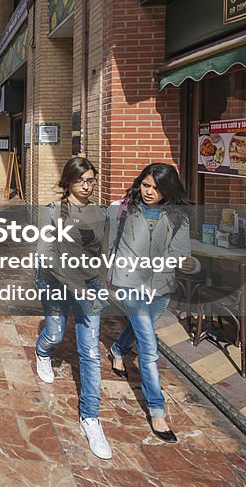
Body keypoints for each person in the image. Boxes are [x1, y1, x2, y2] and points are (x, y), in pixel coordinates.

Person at [107, 163, 197, 444]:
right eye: (145, 185)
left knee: (138, 330)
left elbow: (182, 253)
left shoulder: (178, 217)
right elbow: (111, 245)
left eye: (156, 188)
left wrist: (184, 263)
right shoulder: (123, 210)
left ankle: (118, 349)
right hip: (130, 282)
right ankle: (157, 411)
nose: (149, 192)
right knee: (148, 346)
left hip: (161, 285)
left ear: (167, 190)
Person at [34, 157, 111, 459]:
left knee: (90, 351)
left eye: (91, 180)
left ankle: (90, 417)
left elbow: (104, 253)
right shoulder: (52, 212)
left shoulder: (100, 213)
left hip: (88, 283)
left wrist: (100, 285)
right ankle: (42, 351)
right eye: (81, 180)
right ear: (68, 181)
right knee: (54, 332)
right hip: (54, 280)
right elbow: (45, 254)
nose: (86, 186)